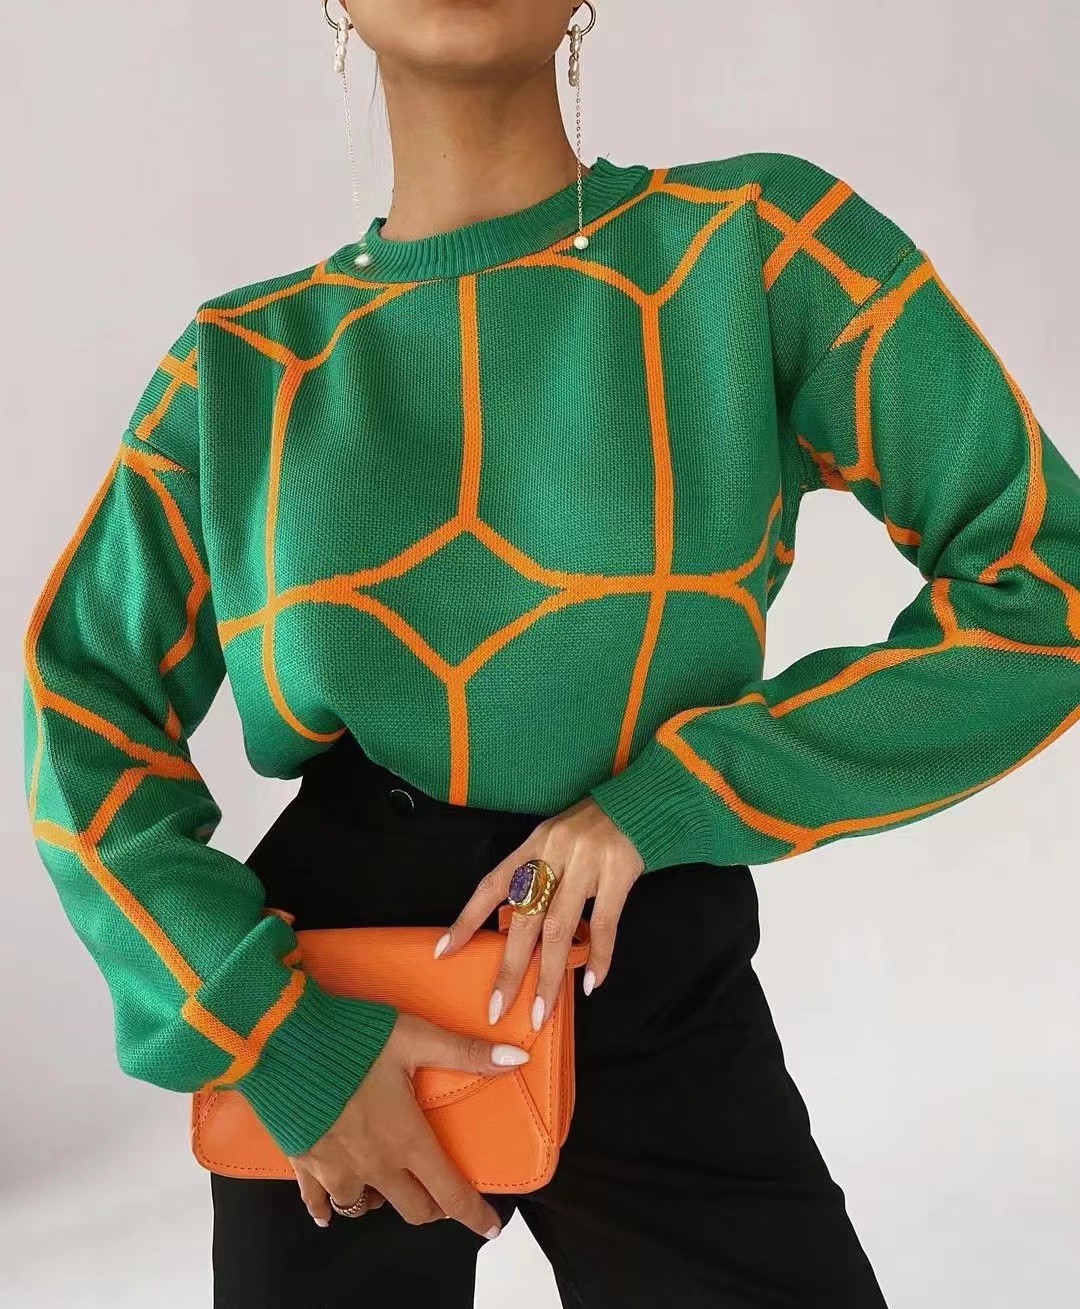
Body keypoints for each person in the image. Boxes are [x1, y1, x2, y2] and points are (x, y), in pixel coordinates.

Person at [20, 2, 1080, 1306]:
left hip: (646, 946)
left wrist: (682, 794)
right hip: (340, 1001)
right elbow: (82, 708)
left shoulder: (752, 248)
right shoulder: (242, 366)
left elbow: (1048, 588)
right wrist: (274, 1035)